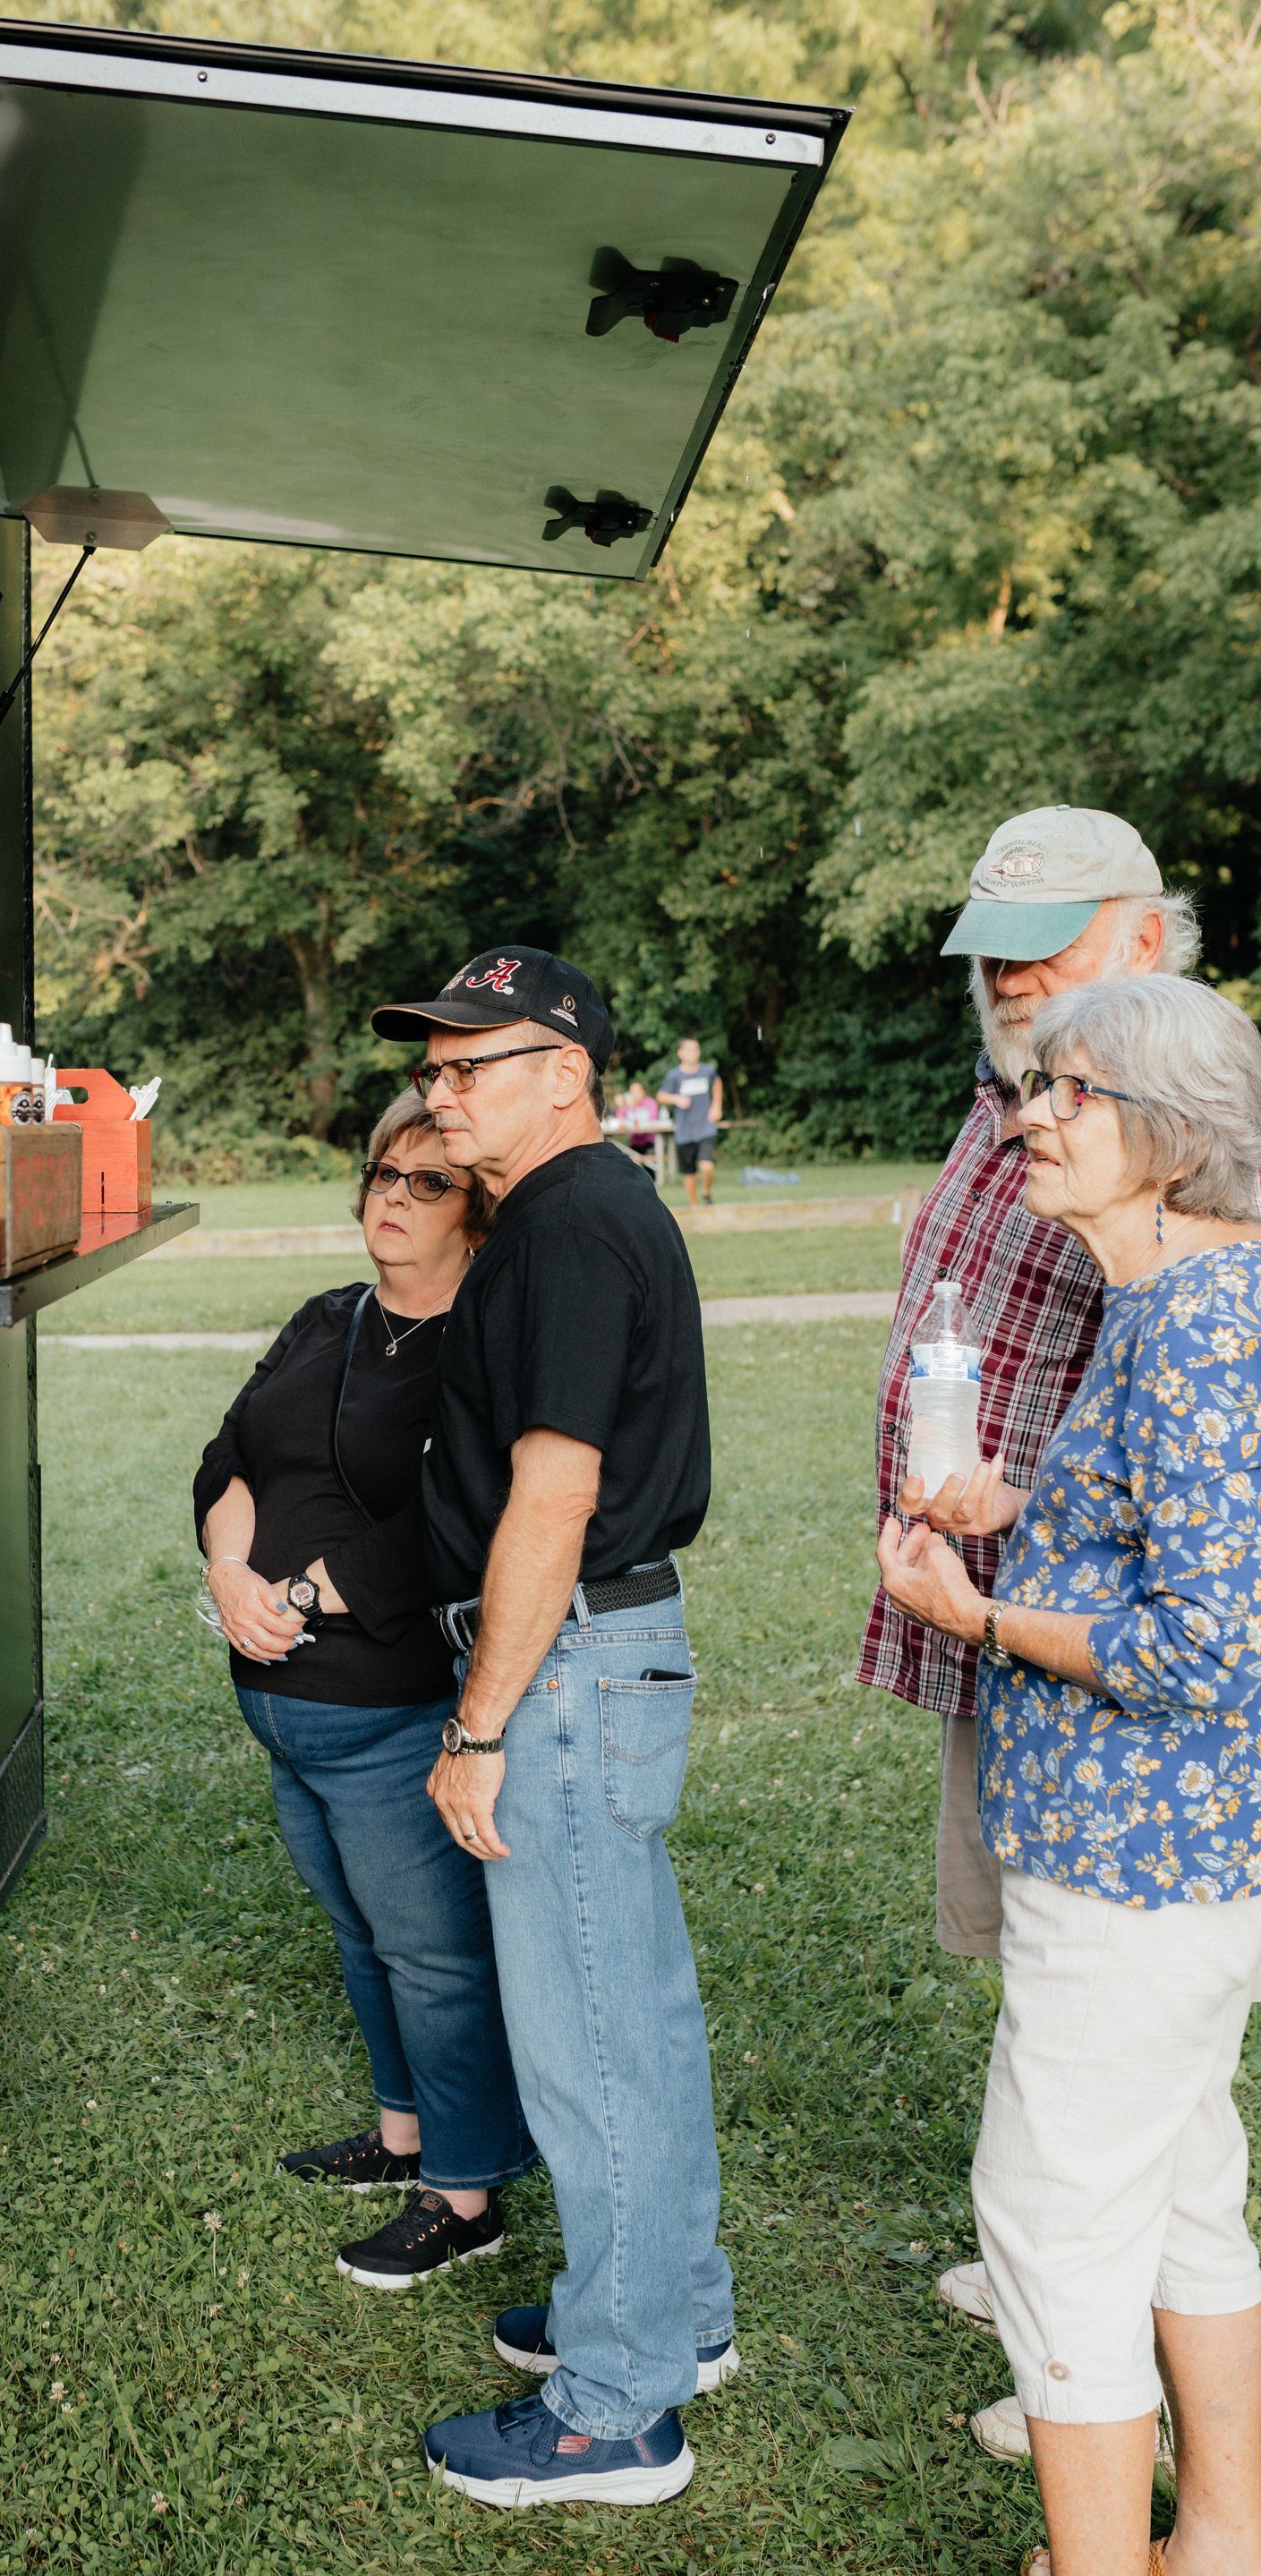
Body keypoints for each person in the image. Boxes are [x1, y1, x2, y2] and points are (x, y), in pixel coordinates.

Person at [877, 974, 1261, 2576]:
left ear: (1171, 1137)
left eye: (1072, 1092)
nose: (1031, 1115)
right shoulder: (1182, 1302)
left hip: (1135, 1873)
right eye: (1037, 1087)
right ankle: (1223, 2539)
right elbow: (1182, 1534)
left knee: (1052, 2224)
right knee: (1182, 2197)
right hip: (1172, 1872)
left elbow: (1205, 1640)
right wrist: (1028, 1505)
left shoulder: (1200, 1321)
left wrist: (980, 1612)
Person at [365, 945, 734, 2511]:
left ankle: (618, 2407)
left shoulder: (577, 1220)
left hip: (568, 1665)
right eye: (433, 1066)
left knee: (591, 2042)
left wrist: (479, 1721)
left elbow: (557, 1491)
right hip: (598, 1655)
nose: (442, 1089)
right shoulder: (561, 1216)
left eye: (474, 1062)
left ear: (570, 1070)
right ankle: (670, 2311)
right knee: (629, 2011)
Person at [855, 806, 1198, 2453]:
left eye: (1047, 936)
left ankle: (1081, 2283)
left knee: (1109, 1993)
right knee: (1053, 1969)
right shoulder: (1018, 1086)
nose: (1007, 975)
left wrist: (1009, 1583)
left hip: (1090, 1644)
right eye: (992, 945)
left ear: (1144, 930)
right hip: (1002, 1611)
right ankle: (1066, 2249)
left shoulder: (1179, 1110)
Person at [192, 1092, 533, 2288]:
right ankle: (404, 2137)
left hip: (388, 1706)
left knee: (434, 1953)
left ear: (478, 1211)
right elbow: (228, 1454)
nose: (390, 1196)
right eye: (380, 1174)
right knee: (360, 1934)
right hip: (286, 1714)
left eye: (426, 1181)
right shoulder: (325, 1317)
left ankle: (468, 2187)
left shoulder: (482, 1346)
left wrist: (296, 1601)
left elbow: (458, 1524)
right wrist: (230, 1569)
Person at [658, 1036, 722, 1206]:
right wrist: (676, 1099)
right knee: (689, 1172)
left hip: (705, 1128)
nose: (694, 1053)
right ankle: (694, 1206)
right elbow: (661, 1096)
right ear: (680, 1053)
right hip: (685, 1131)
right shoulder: (674, 1076)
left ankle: (706, 1193)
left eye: (696, 1049)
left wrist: (716, 1106)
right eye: (689, 1049)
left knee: (707, 1166)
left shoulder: (707, 1071)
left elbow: (717, 1083)